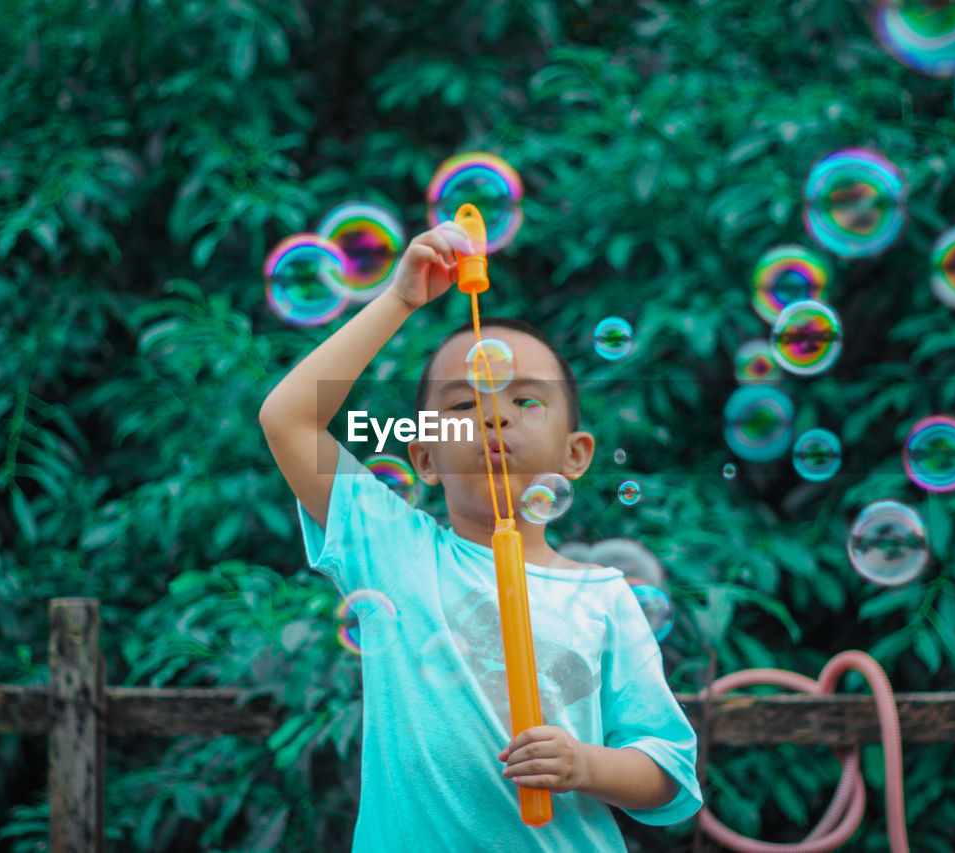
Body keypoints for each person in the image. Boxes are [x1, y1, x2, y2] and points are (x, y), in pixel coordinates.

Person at [258, 220, 703, 851]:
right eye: (464, 407)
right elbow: (289, 418)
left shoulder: (604, 596)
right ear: (426, 460)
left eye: (525, 402)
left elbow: (669, 772)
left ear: (576, 455)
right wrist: (399, 299)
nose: (492, 415)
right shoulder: (396, 553)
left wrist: (585, 765)